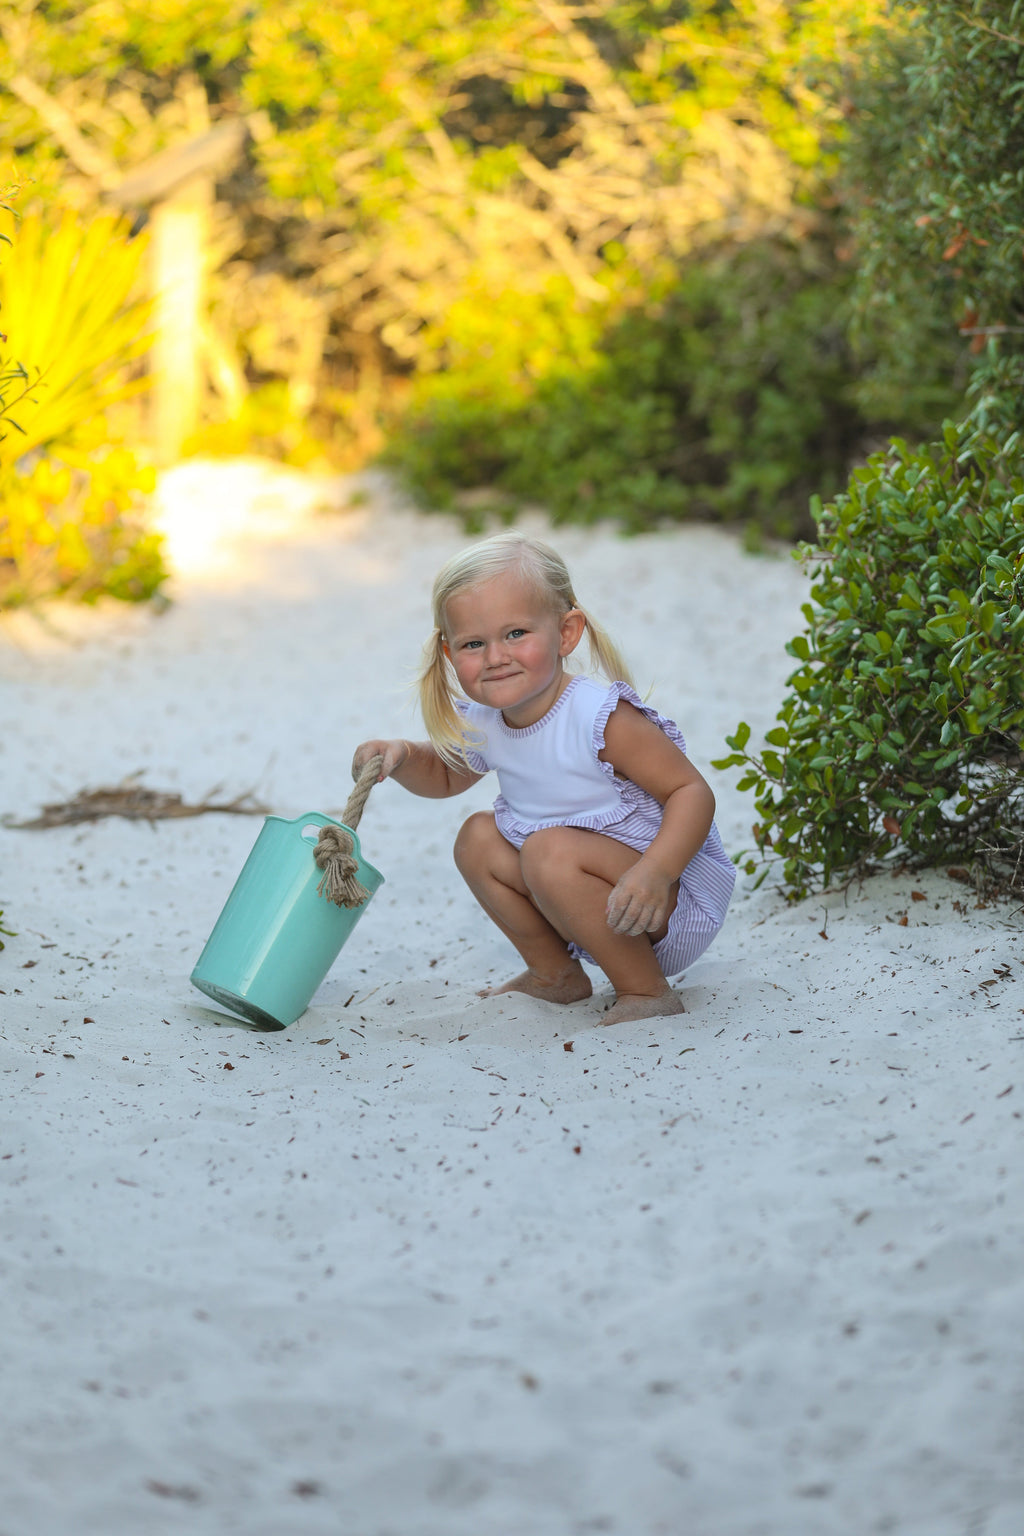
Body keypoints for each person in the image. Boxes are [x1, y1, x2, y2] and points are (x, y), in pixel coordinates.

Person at [353, 531, 734, 1025]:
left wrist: (656, 872)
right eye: (474, 643)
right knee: (477, 837)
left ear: (566, 632)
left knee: (547, 849)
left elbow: (691, 792)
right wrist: (401, 756)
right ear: (450, 655)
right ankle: (556, 975)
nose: (495, 657)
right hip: (576, 897)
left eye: (516, 634)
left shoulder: (598, 716)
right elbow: (446, 776)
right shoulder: (488, 719)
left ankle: (646, 990)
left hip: (661, 899)